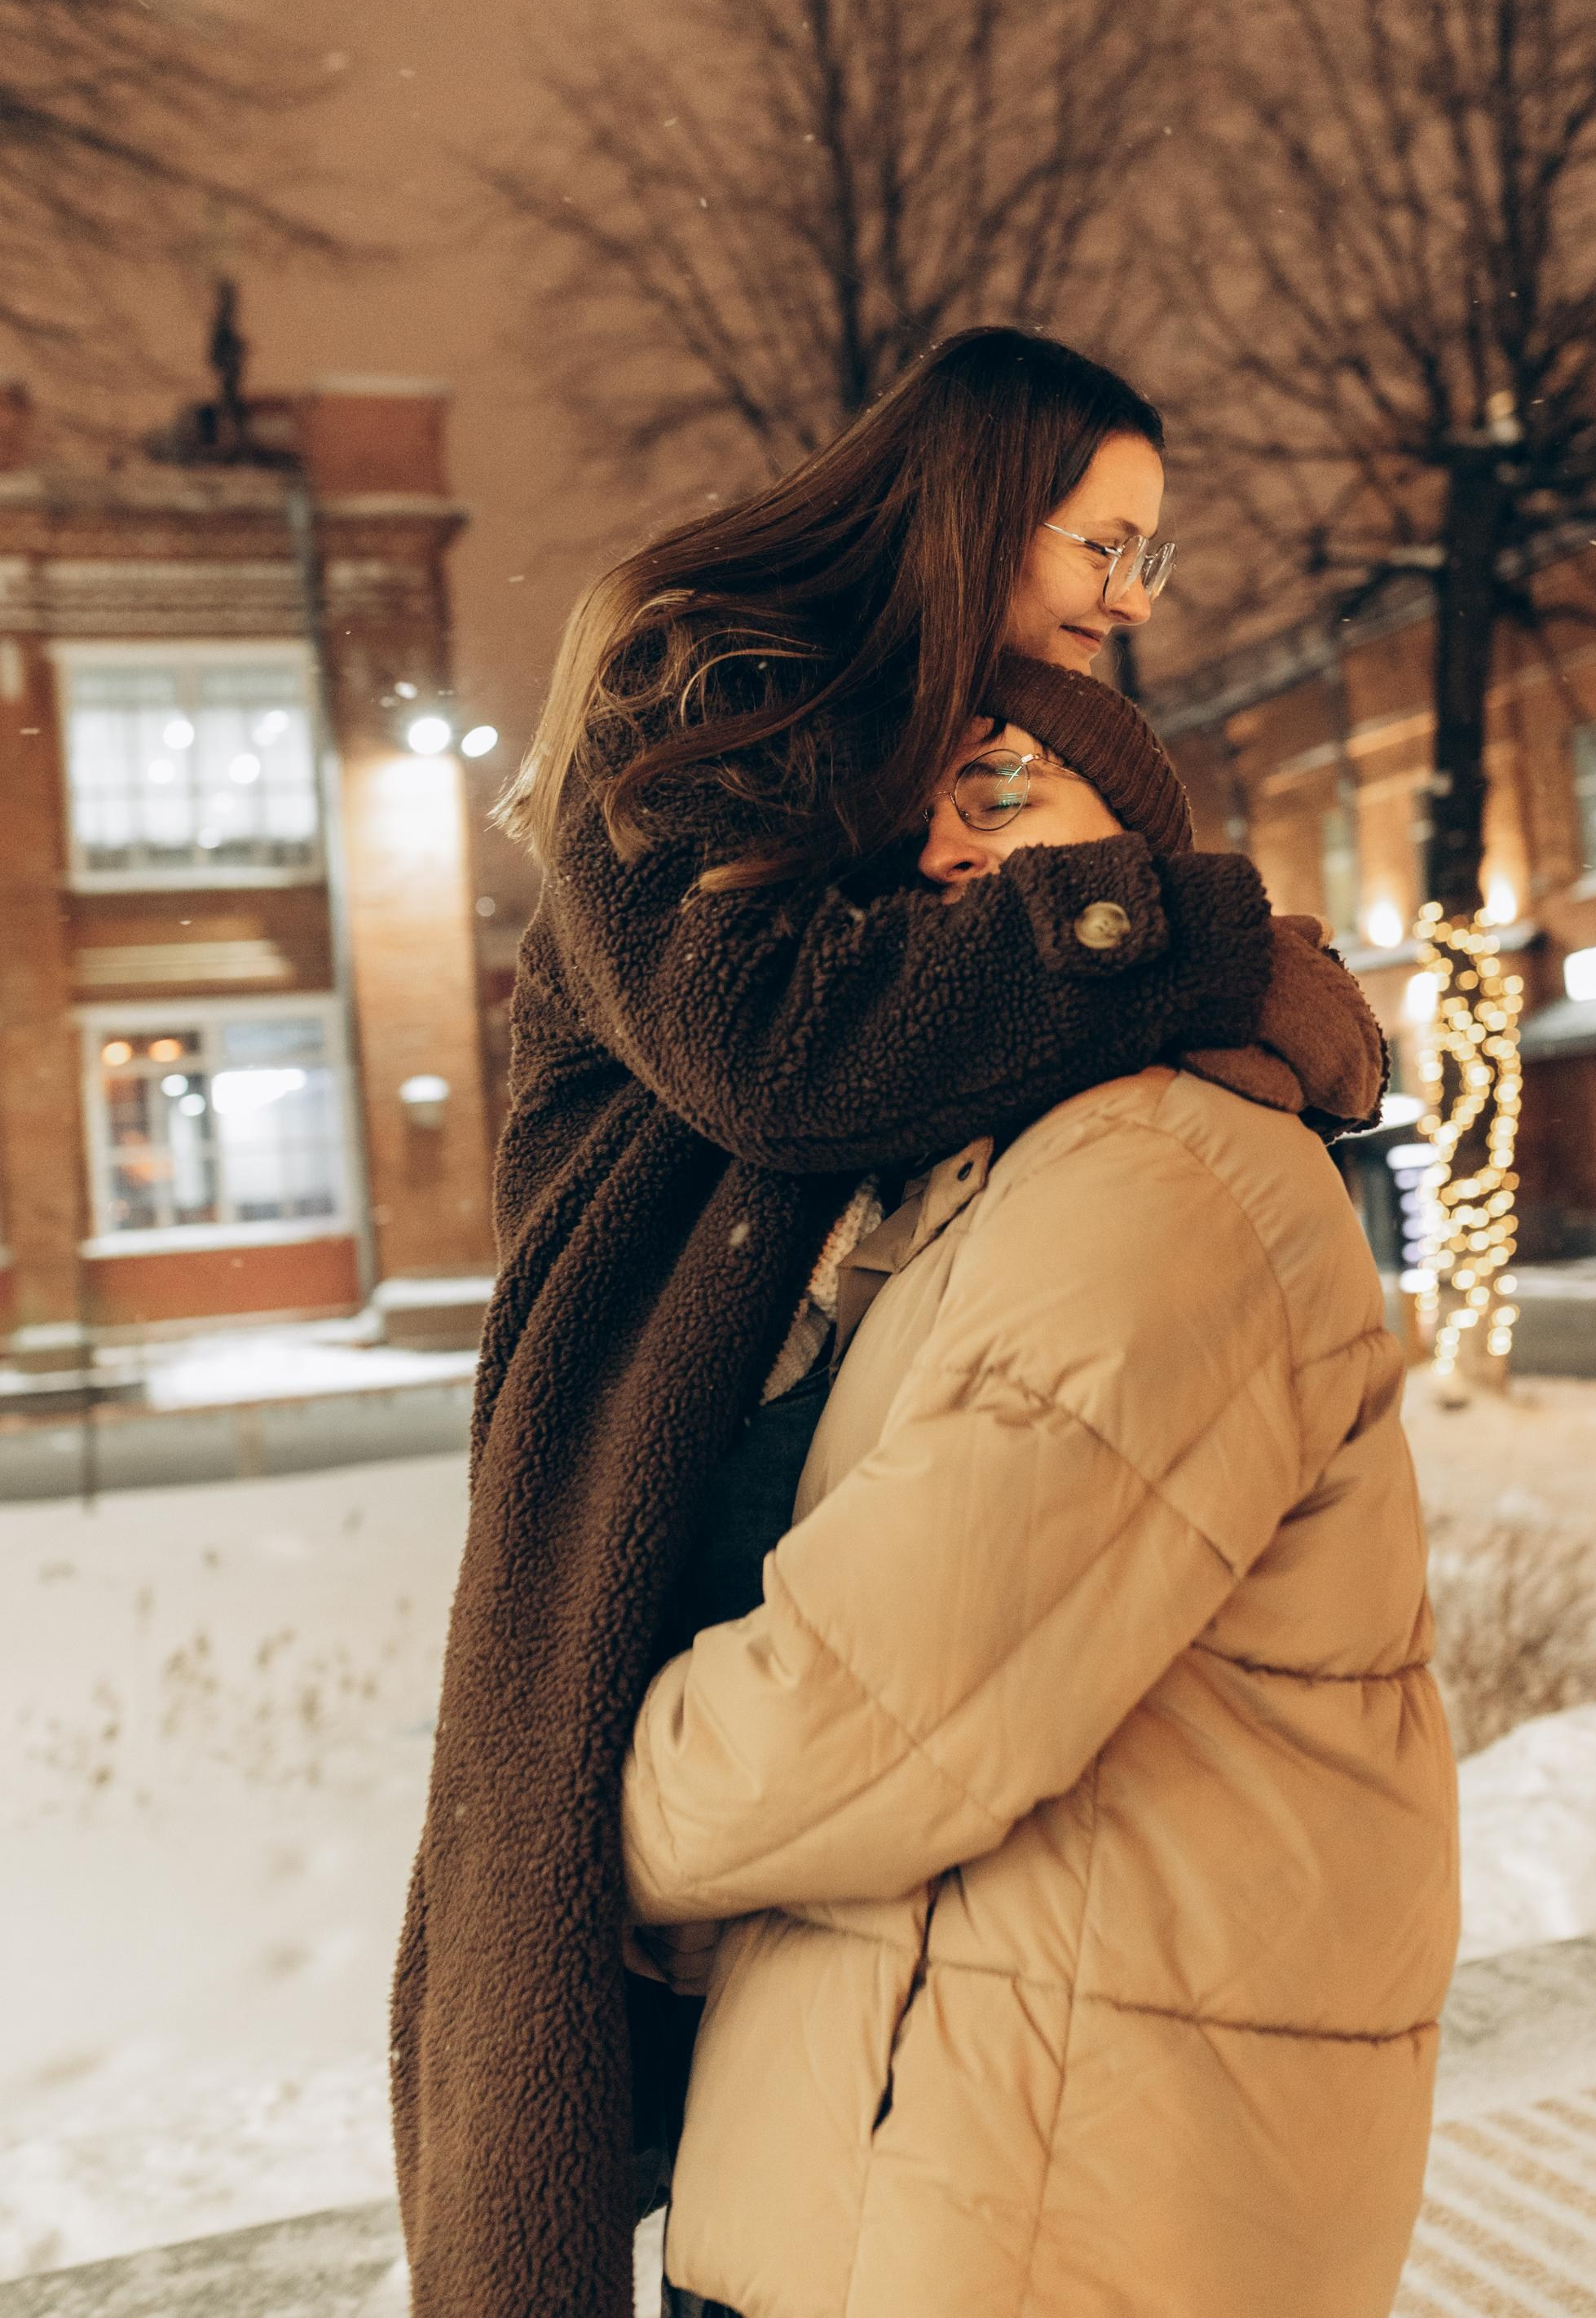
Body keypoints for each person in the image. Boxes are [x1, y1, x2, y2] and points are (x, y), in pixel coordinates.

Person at [389, 328, 1385, 2318]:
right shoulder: (695, 696)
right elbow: (776, 1057)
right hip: (640, 1437)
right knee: (561, 2065)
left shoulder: (914, 782)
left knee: (690, 2082)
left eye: (1151, 558)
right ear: (976, 503)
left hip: (790, 1462)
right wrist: (1190, 937)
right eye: (1101, 542)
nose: (1128, 595)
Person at [620, 678, 1457, 2318]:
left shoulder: (1160, 1173)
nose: (947, 847)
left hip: (1026, 2193)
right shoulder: (992, 1169)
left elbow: (869, 1719)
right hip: (939, 2133)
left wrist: (564, 1823)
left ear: (1138, 863)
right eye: (911, 808)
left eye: (1007, 789)